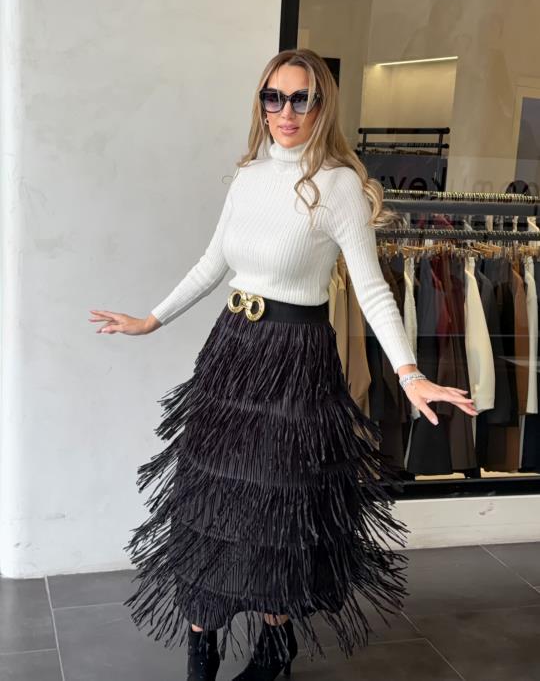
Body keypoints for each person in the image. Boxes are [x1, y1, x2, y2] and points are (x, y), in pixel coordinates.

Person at [89, 48, 477, 681]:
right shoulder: (249, 174)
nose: (287, 111)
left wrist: (409, 375)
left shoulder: (339, 185)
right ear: (262, 104)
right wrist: (151, 319)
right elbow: (213, 262)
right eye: (275, 97)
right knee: (210, 494)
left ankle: (275, 642)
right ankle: (201, 643)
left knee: (275, 502)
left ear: (322, 105)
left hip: (295, 359)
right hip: (231, 352)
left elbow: (373, 289)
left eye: (302, 98)